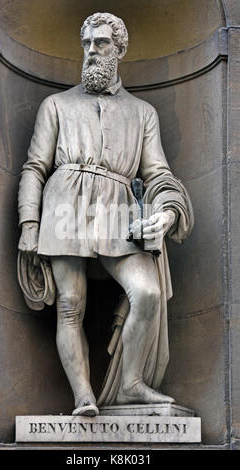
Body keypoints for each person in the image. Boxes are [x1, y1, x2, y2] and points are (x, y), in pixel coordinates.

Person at [18, 12, 194, 416]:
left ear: (120, 49)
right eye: (87, 44)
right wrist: (29, 223)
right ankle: (83, 396)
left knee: (147, 292)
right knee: (70, 303)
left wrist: (168, 212)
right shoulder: (56, 105)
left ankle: (131, 383)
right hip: (64, 202)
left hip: (118, 208)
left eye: (100, 44)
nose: (91, 52)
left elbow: (159, 174)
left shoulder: (143, 112)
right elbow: (34, 168)